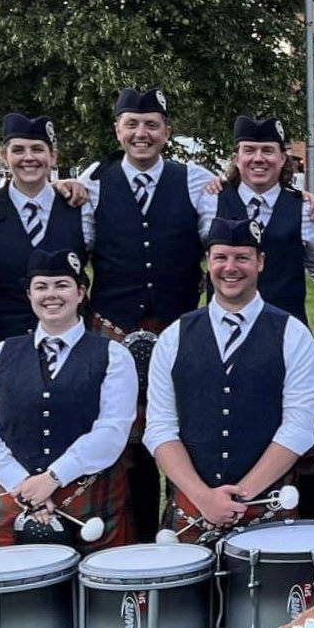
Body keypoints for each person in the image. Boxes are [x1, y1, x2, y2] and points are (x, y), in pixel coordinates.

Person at [80, 86, 217, 541]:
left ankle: (181, 526)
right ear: (117, 129)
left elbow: (216, 244)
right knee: (127, 441)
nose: (142, 133)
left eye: (152, 124)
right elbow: (77, 251)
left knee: (183, 429)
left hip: (178, 327)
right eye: (132, 124)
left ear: (167, 131)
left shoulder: (196, 180)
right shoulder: (93, 180)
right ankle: (134, 539)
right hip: (113, 326)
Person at [143, 217, 314, 541]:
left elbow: (299, 426)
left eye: (242, 258)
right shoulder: (174, 336)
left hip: (268, 505)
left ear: (260, 262)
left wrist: (240, 497)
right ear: (208, 262)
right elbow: (160, 428)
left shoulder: (293, 334)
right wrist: (203, 497)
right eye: (221, 257)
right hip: (193, 506)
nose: (230, 267)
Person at [0, 248, 137, 553]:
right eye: (41, 287)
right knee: (5, 593)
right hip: (10, 490)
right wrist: (24, 485)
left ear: (81, 292)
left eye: (62, 285)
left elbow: (112, 431)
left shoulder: (114, 355)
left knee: (100, 595)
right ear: (29, 294)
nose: (51, 295)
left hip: (86, 494)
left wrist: (54, 478)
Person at [0, 113, 87, 368]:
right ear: (4, 156)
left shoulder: (81, 208)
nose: (29, 157)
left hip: (69, 344)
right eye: (18, 149)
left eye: (38, 149)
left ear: (53, 157)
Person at [216, 114, 314, 329]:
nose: (258, 158)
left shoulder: (306, 209)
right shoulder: (211, 201)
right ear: (236, 158)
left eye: (268, 150)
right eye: (249, 150)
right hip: (225, 332)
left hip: (287, 334)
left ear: (283, 158)